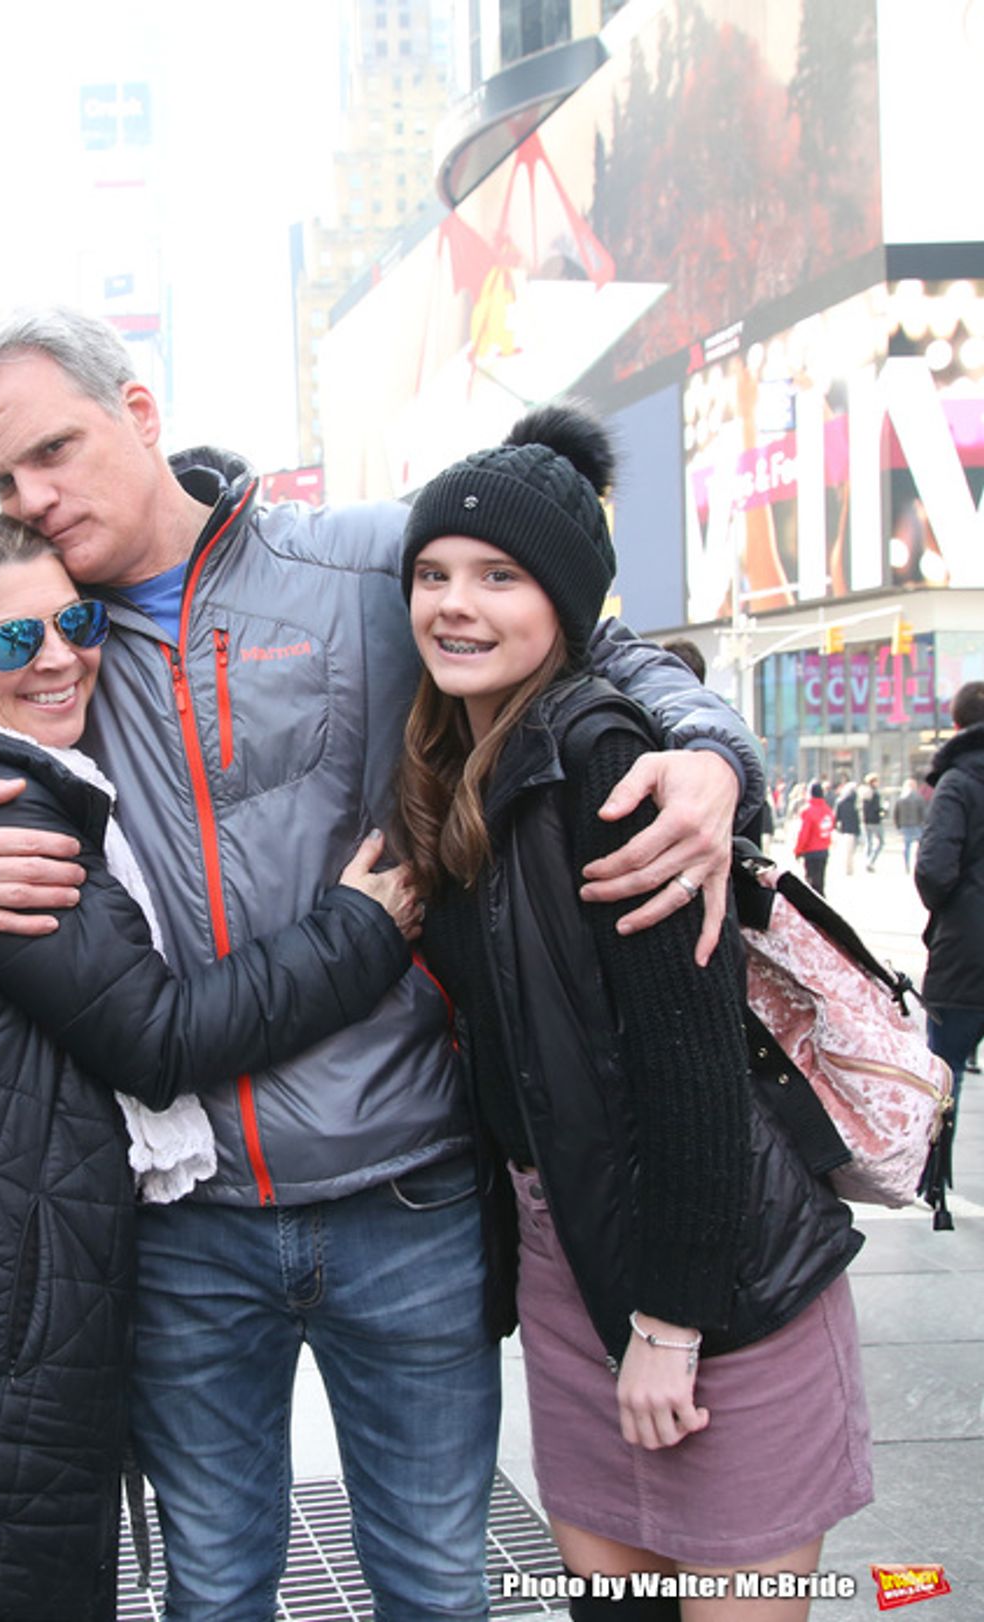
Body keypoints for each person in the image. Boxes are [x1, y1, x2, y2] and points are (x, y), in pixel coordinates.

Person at [0, 307, 766, 1620]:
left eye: (54, 450)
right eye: (0, 478)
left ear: (137, 411)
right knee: (218, 1586)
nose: (36, 497)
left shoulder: (358, 562)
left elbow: (601, 646)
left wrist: (712, 755)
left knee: (430, 1579)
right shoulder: (38, 637)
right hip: (184, 1221)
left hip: (402, 1187)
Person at [0, 514, 420, 1622]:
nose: (61, 655)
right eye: (15, 642)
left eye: (74, 623)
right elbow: (153, 1038)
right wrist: (358, 928)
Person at [393, 404, 870, 1621]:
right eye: (433, 572)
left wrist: (668, 1318)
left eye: (498, 575)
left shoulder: (604, 761)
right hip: (568, 1260)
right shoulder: (466, 759)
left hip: (708, 1270)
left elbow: (692, 1069)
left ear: (565, 602)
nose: (456, 602)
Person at [914, 680, 984, 1183]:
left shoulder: (958, 783)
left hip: (967, 946)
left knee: (946, 1071)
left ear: (957, 725)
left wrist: (951, 909)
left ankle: (936, 1181)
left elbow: (935, 869)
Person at [795, 782, 834, 895]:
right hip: (824, 850)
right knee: (820, 882)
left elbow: (804, 834)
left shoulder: (808, 811)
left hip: (811, 851)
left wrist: (798, 850)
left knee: (811, 884)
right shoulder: (827, 810)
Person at [894, 776, 927, 871]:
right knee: (920, 847)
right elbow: (923, 813)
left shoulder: (901, 798)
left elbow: (896, 813)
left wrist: (898, 825)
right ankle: (918, 864)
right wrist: (924, 824)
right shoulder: (919, 798)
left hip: (904, 825)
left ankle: (907, 865)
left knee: (906, 846)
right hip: (917, 825)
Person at [833, 779, 860, 875]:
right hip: (854, 829)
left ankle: (848, 869)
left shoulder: (840, 802)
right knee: (851, 851)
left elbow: (836, 817)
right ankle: (849, 869)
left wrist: (835, 828)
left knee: (846, 851)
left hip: (844, 829)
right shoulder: (856, 802)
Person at [860, 772, 884, 869]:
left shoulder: (864, 792)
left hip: (865, 821)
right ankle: (871, 861)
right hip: (875, 821)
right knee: (881, 842)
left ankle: (867, 861)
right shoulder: (875, 793)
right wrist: (882, 811)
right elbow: (876, 808)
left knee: (868, 842)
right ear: (873, 782)